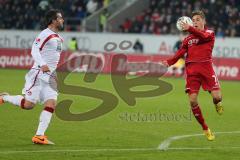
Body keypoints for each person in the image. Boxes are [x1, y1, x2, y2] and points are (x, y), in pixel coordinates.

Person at [0, 9, 64, 145]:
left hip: (50, 77)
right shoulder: (45, 34)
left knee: (51, 103)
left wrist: (53, 73)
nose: (62, 20)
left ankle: (39, 136)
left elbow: (53, 59)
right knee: (28, 105)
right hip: (38, 74)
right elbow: (34, 50)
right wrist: (42, 64)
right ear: (53, 20)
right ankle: (4, 98)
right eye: (60, 18)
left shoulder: (58, 37)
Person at [162, 10, 223, 141]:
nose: (195, 22)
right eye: (193, 20)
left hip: (207, 70)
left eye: (198, 19)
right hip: (192, 72)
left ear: (204, 21)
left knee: (217, 97)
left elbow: (204, 37)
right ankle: (206, 128)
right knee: (192, 100)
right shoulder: (188, 39)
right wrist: (169, 62)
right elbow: (180, 53)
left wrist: (189, 28)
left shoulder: (209, 33)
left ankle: (217, 103)